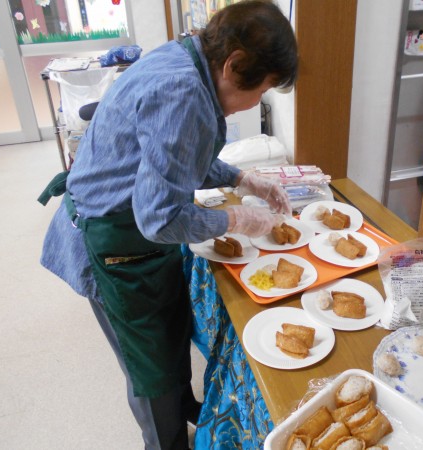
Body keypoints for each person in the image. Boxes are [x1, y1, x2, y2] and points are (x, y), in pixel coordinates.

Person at [37, 1, 298, 448]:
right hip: (114, 239)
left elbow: (177, 155)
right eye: (262, 89)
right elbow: (160, 218)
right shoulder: (183, 92)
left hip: (135, 230)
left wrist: (241, 178)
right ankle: (166, 438)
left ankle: (184, 408)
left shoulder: (189, 57)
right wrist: (236, 217)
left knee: (171, 332)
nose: (257, 101)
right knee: (150, 368)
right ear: (234, 64)